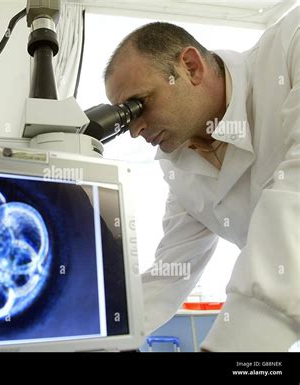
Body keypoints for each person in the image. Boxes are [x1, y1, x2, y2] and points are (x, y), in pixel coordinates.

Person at [104, 8, 299, 351]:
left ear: (190, 67)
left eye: (139, 105)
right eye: (126, 118)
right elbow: (171, 271)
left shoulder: (290, 46)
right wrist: (105, 331)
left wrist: (232, 347)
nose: (135, 129)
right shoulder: (179, 167)